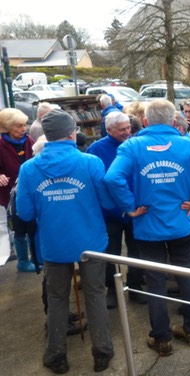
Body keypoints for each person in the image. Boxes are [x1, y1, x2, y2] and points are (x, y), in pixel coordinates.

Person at [104, 99, 190, 356]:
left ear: (146, 122)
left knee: (156, 280)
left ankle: (161, 338)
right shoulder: (189, 145)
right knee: (186, 272)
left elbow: (112, 178)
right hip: (181, 223)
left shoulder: (132, 146)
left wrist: (129, 206)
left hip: (147, 224)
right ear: (174, 122)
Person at [16, 109, 115, 373]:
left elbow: (25, 212)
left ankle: (56, 355)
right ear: (72, 133)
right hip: (90, 240)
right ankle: (102, 351)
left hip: (54, 242)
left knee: (57, 297)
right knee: (95, 294)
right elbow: (106, 201)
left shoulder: (28, 168)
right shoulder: (90, 162)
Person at [87, 112, 146, 307]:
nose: (128, 132)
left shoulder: (136, 144)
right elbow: (97, 182)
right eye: (122, 129)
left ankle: (136, 287)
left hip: (136, 209)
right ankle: (112, 289)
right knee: (111, 252)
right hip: (110, 211)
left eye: (129, 127)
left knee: (136, 250)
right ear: (109, 129)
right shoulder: (95, 150)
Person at [0, 108, 37, 272]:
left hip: (31, 189)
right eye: (18, 126)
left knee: (33, 224)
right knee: (19, 226)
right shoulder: (0, 144)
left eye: (24, 125)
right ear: (6, 127)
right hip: (11, 193)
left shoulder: (29, 140)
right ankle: (23, 261)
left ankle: (36, 258)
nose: (23, 129)